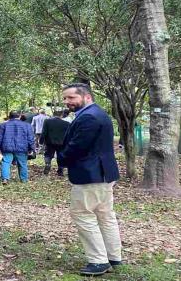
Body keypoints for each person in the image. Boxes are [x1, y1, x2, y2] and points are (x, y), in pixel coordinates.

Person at [58, 83, 122, 276]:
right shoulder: (97, 113)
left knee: (83, 214)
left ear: (86, 97)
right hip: (101, 173)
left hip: (90, 174)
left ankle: (98, 261)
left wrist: (61, 158)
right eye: (65, 98)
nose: (67, 102)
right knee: (105, 215)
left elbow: (77, 147)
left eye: (71, 98)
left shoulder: (89, 117)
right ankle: (113, 256)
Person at [0, 111, 33, 184]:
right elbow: (30, 138)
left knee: (6, 162)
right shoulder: (27, 125)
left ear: (9, 116)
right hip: (22, 147)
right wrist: (32, 148)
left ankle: (5, 179)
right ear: (19, 116)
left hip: (7, 147)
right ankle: (24, 179)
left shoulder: (2, 125)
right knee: (22, 163)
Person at [40, 110, 70, 176]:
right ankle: (60, 170)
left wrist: (41, 141)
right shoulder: (67, 123)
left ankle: (48, 164)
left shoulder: (47, 121)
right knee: (60, 156)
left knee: (48, 155)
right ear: (61, 115)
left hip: (49, 142)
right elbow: (68, 135)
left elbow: (44, 132)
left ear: (53, 114)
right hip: (62, 143)